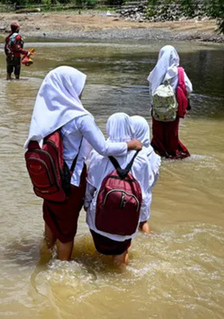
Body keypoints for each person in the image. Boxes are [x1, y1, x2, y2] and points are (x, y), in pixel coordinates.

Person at [26, 67, 143, 261]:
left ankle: (45, 257)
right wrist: (130, 145)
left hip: (50, 180)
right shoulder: (81, 118)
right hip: (71, 183)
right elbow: (103, 147)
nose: (81, 91)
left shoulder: (46, 114)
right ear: (69, 87)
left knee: (51, 220)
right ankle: (61, 272)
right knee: (66, 231)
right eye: (79, 86)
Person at [85, 113, 160, 268]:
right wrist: (141, 219)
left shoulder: (99, 155)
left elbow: (90, 188)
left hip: (97, 219)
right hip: (127, 221)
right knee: (121, 254)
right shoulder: (141, 159)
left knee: (100, 253)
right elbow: (144, 195)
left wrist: (87, 207)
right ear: (130, 129)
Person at [147, 45, 193, 158]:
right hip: (173, 108)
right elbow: (189, 88)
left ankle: (158, 152)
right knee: (172, 132)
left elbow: (151, 91)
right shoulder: (179, 72)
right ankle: (172, 152)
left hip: (157, 108)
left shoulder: (155, 72)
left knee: (158, 132)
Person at [130, 115, 162, 234]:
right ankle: (148, 240)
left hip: (128, 195)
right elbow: (154, 179)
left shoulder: (130, 153)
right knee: (143, 222)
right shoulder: (153, 154)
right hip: (145, 194)